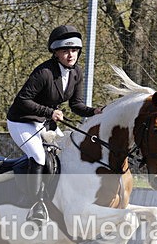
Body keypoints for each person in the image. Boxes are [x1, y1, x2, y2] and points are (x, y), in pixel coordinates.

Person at [6, 25, 103, 223]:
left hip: (44, 123)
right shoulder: (44, 72)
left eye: (74, 50)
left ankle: (61, 198)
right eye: (66, 50)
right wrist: (49, 112)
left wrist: (94, 111)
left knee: (66, 154)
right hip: (21, 121)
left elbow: (76, 105)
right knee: (39, 157)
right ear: (56, 53)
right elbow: (22, 101)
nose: (70, 55)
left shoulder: (76, 73)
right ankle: (35, 205)